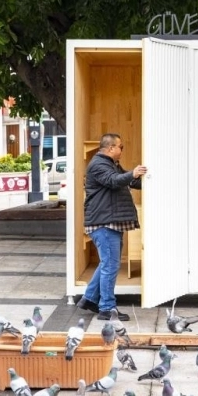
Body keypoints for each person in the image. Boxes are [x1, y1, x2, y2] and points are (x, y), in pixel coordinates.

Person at [76, 133, 147, 321]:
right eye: (120, 147)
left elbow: (127, 181)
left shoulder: (110, 164)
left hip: (109, 221)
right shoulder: (99, 164)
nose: (122, 150)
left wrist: (146, 179)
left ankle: (90, 299)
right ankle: (107, 308)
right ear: (110, 148)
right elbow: (114, 181)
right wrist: (133, 173)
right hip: (103, 223)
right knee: (110, 265)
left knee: (107, 263)